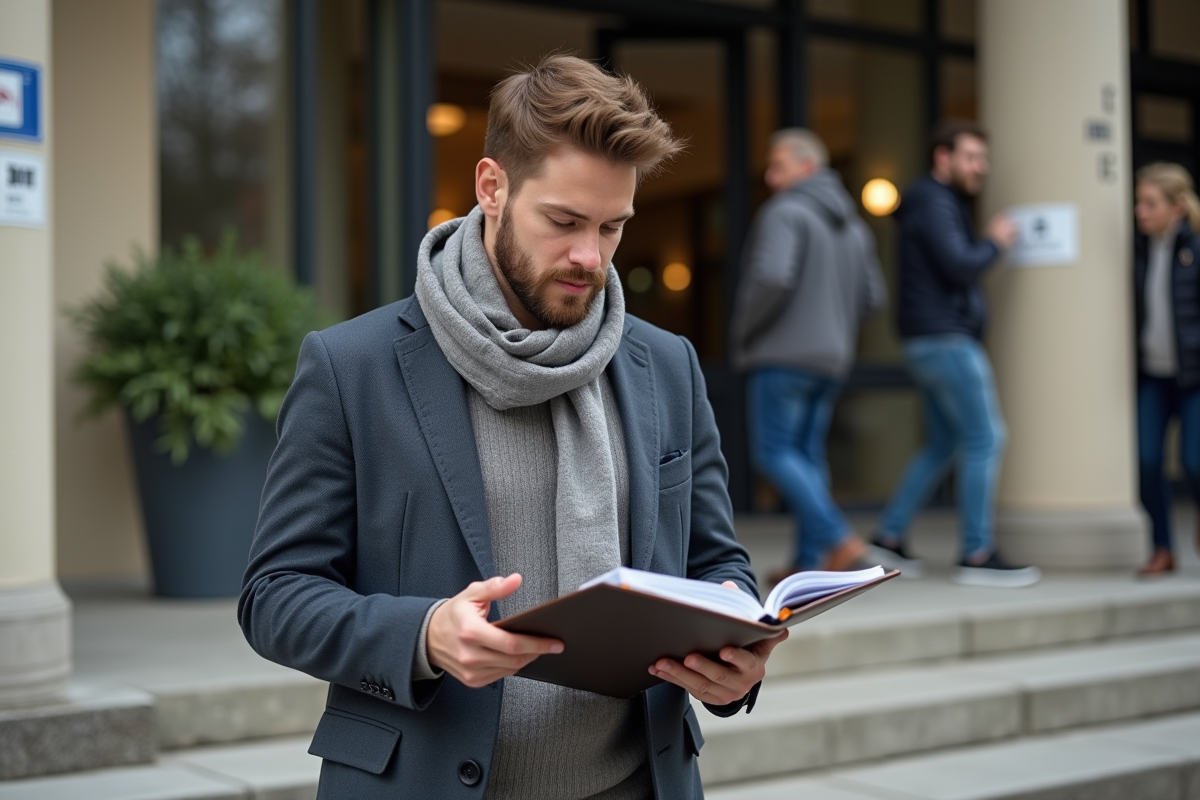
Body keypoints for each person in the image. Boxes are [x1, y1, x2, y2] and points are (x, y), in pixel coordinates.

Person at [238, 55, 785, 799]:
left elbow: (715, 561)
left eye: (613, 227)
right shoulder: (351, 366)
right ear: (491, 187)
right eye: (563, 222)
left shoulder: (667, 364)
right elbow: (274, 596)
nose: (590, 256)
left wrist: (734, 659)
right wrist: (424, 634)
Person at [866, 120, 1041, 588]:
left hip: (930, 340)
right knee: (987, 438)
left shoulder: (932, 201)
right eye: (971, 157)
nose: (980, 167)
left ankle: (889, 535)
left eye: (984, 159)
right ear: (943, 157)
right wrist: (995, 242)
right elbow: (960, 265)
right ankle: (976, 553)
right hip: (946, 339)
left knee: (943, 443)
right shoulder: (934, 200)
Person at [731, 129, 886, 579]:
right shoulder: (855, 227)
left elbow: (772, 278)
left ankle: (840, 540)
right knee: (807, 457)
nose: (770, 176)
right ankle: (806, 563)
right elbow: (873, 298)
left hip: (782, 356)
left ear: (808, 166)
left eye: (778, 165)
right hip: (831, 360)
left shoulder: (785, 212)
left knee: (774, 453)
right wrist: (834, 324)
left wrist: (742, 330)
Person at [1131, 162, 1200, 577]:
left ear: (1177, 207)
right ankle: (1163, 547)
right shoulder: (1138, 250)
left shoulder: (1195, 250)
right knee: (1146, 460)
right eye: (1139, 202)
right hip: (1153, 376)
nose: (1140, 211)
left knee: (1194, 462)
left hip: (1194, 377)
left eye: (1150, 203)